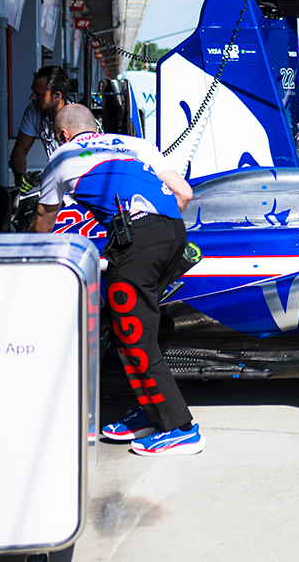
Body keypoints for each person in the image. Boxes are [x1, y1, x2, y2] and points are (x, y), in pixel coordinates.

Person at [32, 104, 203, 456]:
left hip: (137, 240)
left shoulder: (63, 157)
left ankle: (181, 429)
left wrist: (33, 258)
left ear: (63, 134)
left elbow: (43, 218)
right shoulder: (136, 144)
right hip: (175, 233)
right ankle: (151, 412)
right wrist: (159, 230)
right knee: (135, 328)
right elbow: (184, 194)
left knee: (134, 334)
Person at [10, 65, 71, 185]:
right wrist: (20, 177)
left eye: (38, 94)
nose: (31, 97)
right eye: (33, 91)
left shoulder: (77, 120)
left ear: (56, 96)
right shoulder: (34, 111)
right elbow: (19, 151)